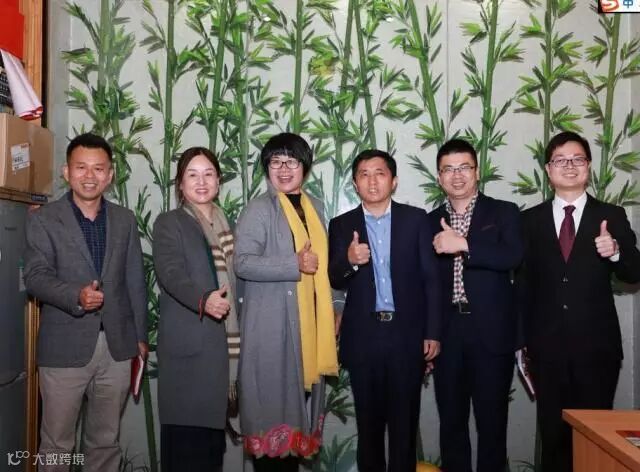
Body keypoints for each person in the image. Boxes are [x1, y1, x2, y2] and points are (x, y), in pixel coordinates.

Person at [23, 133, 148, 472]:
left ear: (110, 175)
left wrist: (140, 338)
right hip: (64, 346)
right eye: (81, 167)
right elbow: (35, 276)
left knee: (105, 441)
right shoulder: (43, 218)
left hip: (118, 348)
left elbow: (135, 280)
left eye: (98, 168)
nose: (89, 176)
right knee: (57, 444)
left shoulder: (125, 219)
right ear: (67, 172)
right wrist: (75, 295)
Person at [520, 131, 640, 472]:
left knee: (594, 441)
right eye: (560, 160)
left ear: (588, 166)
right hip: (546, 350)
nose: (569, 165)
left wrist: (615, 252)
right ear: (548, 169)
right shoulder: (529, 220)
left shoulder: (612, 215)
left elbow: (634, 271)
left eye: (578, 159)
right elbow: (523, 286)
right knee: (553, 439)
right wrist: (521, 341)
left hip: (597, 349)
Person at [328, 149, 442, 472]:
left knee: (405, 429)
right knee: (369, 430)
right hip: (363, 339)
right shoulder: (342, 224)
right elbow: (334, 277)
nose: (372, 181)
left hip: (407, 337)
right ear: (355, 183)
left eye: (380, 173)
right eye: (364, 174)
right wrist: (350, 260)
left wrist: (432, 332)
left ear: (393, 181)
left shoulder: (416, 219)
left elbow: (431, 279)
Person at [234, 132, 339, 470]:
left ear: (304, 167)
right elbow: (243, 263)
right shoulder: (259, 209)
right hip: (272, 332)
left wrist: (336, 308)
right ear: (267, 168)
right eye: (275, 162)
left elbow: (326, 267)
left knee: (295, 435)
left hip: (310, 335)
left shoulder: (316, 208)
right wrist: (293, 264)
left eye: (291, 161)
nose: (283, 169)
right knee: (272, 434)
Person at [428, 139, 523, 472]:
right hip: (447, 334)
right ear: (439, 177)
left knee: (492, 424)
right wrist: (427, 334)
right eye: (448, 169)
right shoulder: (429, 221)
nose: (457, 176)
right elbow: (424, 285)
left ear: (477, 172)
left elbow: (512, 256)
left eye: (464, 167)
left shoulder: (503, 212)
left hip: (491, 334)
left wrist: (464, 244)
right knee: (451, 423)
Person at [153, 147, 239, 472]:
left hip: (222, 353)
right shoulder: (170, 223)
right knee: (185, 450)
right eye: (192, 175)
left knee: (211, 453)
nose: (201, 182)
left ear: (218, 180)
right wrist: (204, 299)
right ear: (180, 183)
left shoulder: (229, 224)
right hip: (189, 356)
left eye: (208, 174)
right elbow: (170, 273)